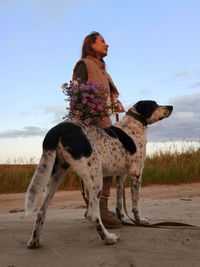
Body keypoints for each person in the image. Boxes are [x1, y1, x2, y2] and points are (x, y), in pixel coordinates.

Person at [72, 31, 124, 229]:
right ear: (91, 45)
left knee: (108, 165)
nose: (107, 44)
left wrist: (116, 103)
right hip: (89, 124)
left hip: (105, 123)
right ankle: (96, 208)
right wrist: (83, 120)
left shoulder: (105, 72)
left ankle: (100, 207)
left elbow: (111, 96)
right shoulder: (84, 65)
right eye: (102, 41)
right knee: (92, 167)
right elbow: (77, 92)